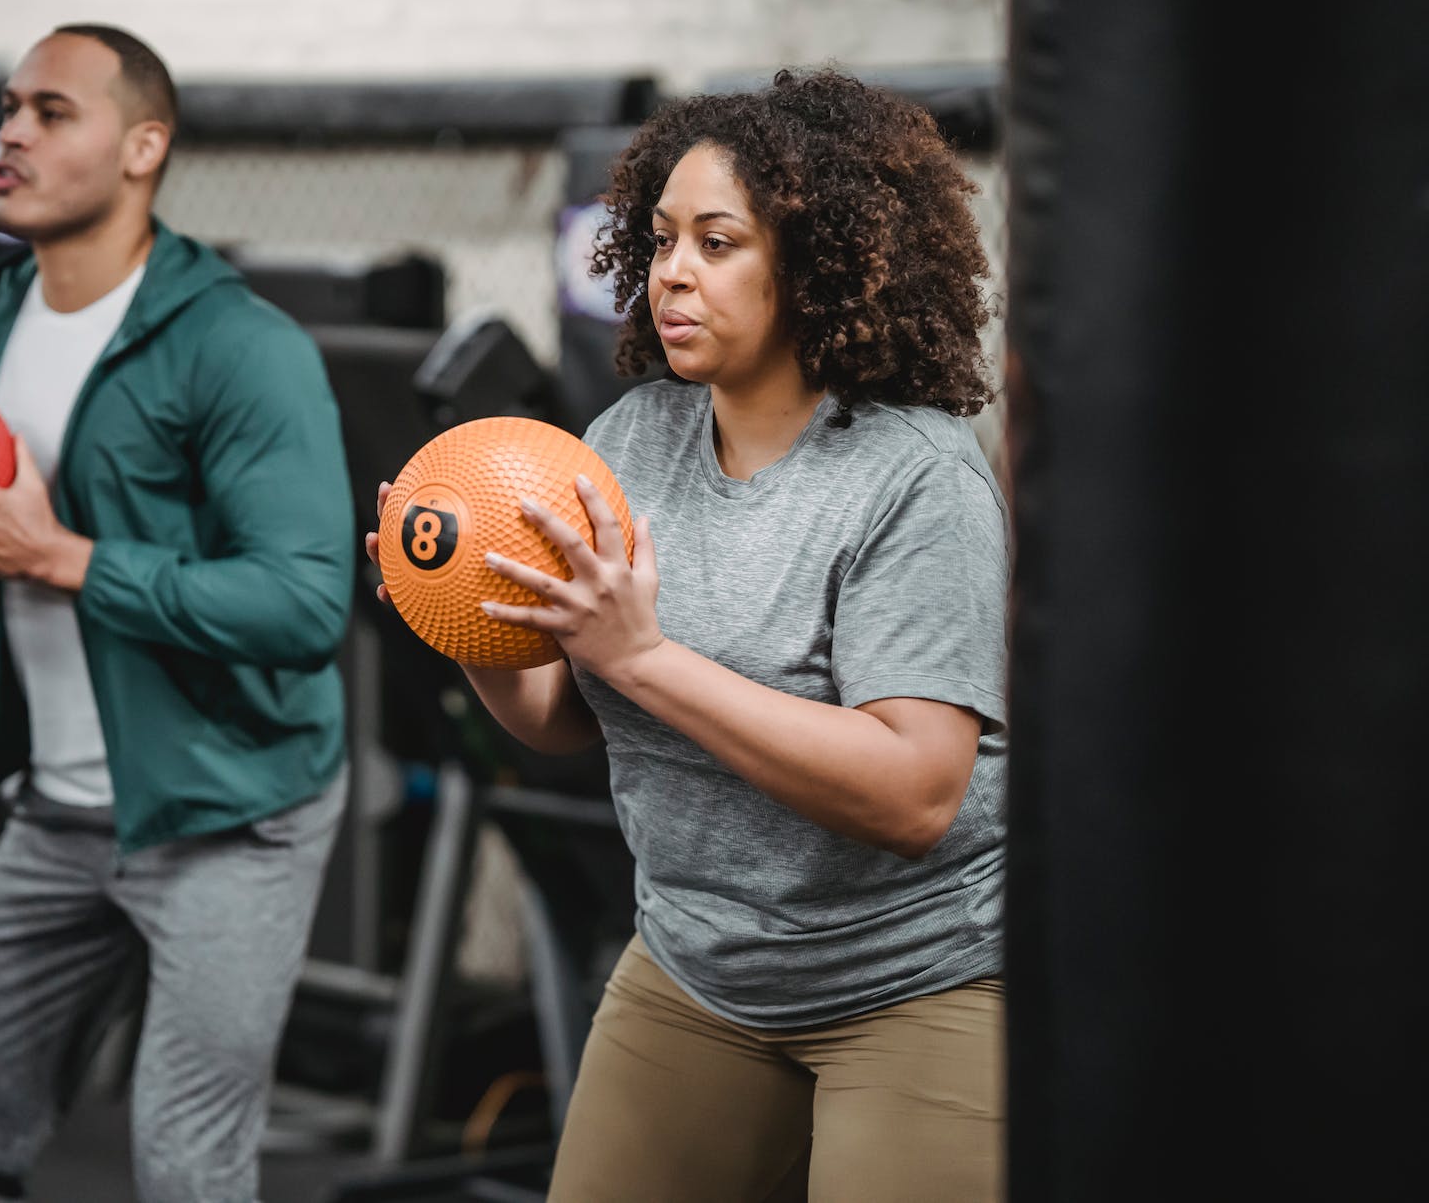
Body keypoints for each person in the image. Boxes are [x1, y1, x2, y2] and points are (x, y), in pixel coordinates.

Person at [367, 67, 1009, 1201]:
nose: (670, 272)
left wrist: (644, 658)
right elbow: (561, 720)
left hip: (913, 980)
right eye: (660, 239)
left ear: (811, 264)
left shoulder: (913, 479)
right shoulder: (630, 439)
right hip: (698, 963)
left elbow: (914, 792)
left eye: (717, 243)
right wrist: (460, 609)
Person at [0, 23, 355, 1203]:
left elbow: (304, 604)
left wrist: (66, 556)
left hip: (232, 813)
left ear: (143, 146)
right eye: (7, 105)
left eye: (50, 111)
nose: (10, 132)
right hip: (57, 813)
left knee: (187, 1174)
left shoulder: (242, 348)